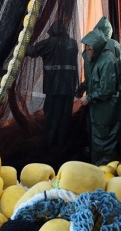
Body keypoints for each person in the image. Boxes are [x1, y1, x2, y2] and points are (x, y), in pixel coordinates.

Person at [25, 20, 79, 148]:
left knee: (52, 117)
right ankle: (61, 145)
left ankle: (50, 145)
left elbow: (31, 51)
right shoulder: (73, 43)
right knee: (65, 118)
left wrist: (22, 39)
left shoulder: (50, 43)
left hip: (53, 88)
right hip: (69, 88)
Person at [79, 29, 121, 166]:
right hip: (100, 110)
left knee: (104, 143)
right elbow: (96, 81)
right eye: (87, 46)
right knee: (98, 141)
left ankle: (105, 169)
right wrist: (84, 86)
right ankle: (98, 166)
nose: (88, 48)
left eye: (90, 46)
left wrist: (89, 98)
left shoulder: (107, 62)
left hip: (107, 111)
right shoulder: (98, 59)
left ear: (98, 46)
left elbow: (107, 90)